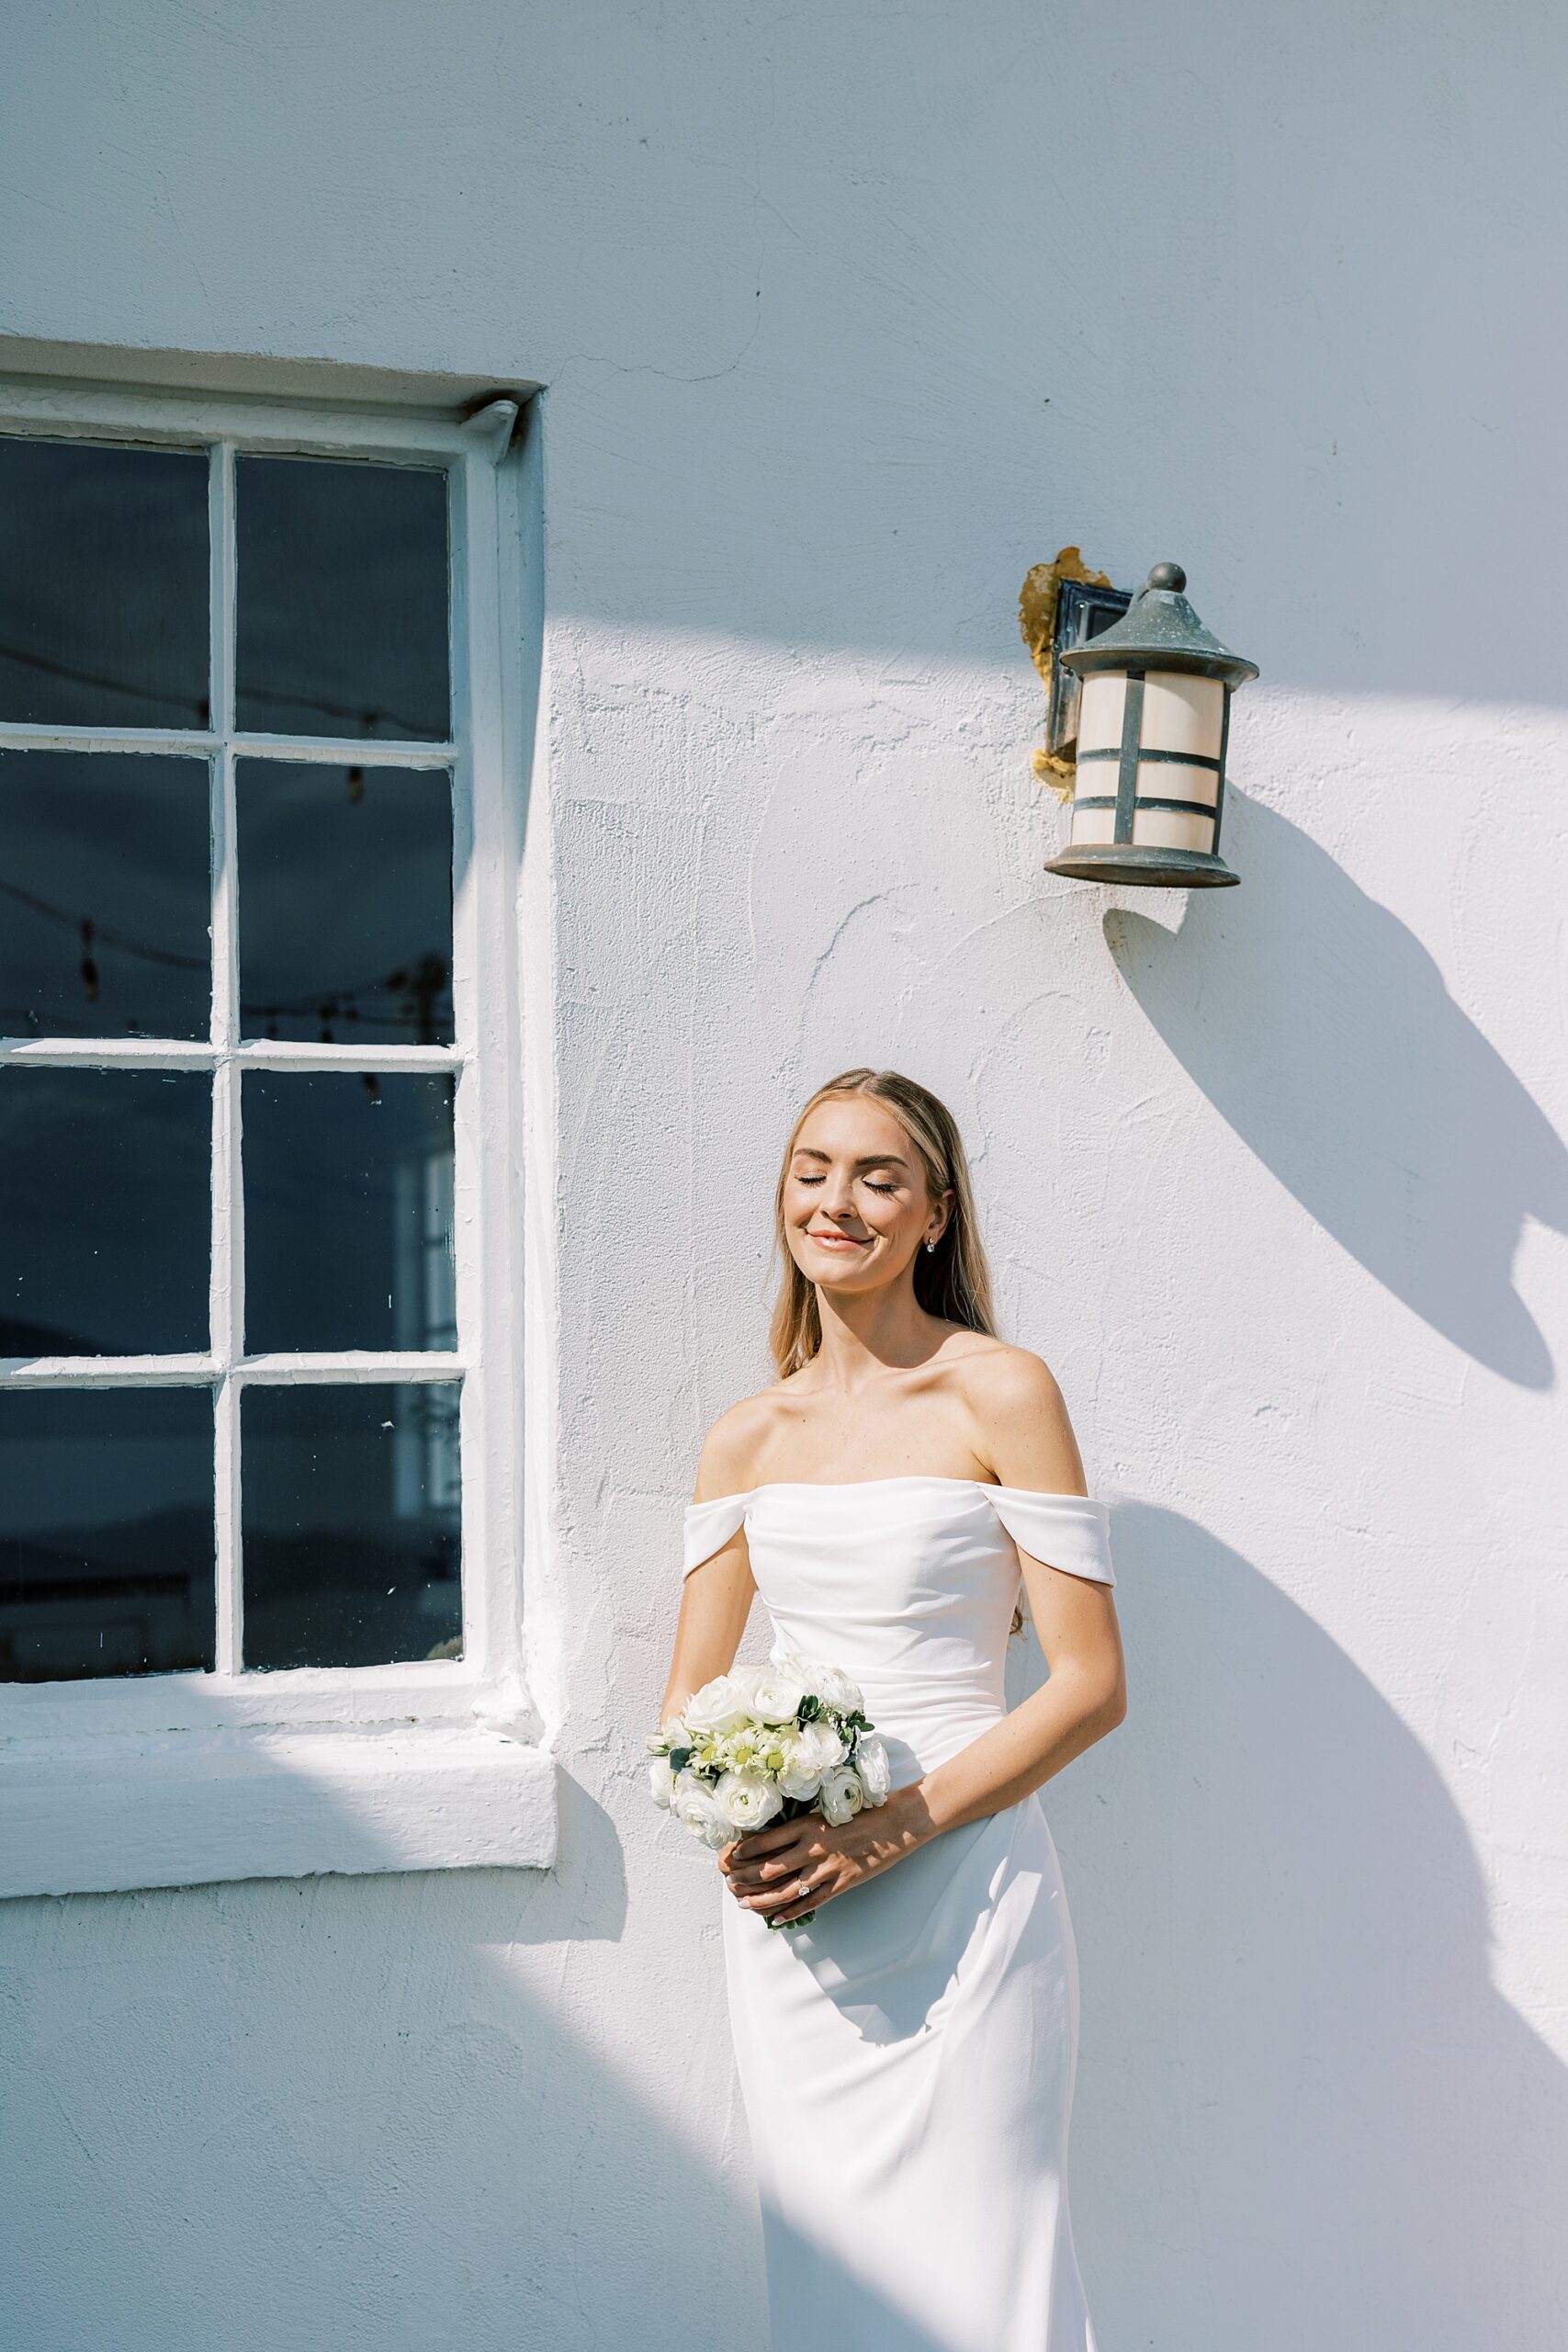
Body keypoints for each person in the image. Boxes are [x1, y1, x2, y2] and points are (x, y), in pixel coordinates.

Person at [660, 1067, 1127, 2350]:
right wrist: (746, 1826)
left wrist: (885, 1831)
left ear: (935, 1213)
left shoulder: (1003, 1393)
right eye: (813, 1170)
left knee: (991, 2267)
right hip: (801, 1920)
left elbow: (1090, 1684)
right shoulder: (744, 1436)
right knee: (835, 2291)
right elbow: (688, 1702)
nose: (838, 1201)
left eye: (878, 1177)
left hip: (970, 1893)